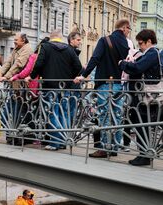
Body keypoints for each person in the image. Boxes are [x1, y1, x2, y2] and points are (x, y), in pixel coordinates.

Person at [74, 19, 131, 158]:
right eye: (129, 28)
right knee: (117, 115)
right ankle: (115, 146)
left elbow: (95, 58)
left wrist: (83, 75)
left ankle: (105, 148)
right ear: (123, 28)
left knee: (105, 115)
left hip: (104, 84)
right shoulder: (126, 44)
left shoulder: (105, 40)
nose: (129, 31)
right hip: (118, 84)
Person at [28, 30, 82, 151]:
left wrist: (32, 77)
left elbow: (39, 64)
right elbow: (78, 67)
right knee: (63, 114)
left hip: (49, 86)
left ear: (51, 38)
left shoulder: (45, 47)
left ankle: (54, 142)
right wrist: (70, 77)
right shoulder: (69, 49)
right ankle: (63, 141)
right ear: (60, 38)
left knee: (53, 113)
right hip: (65, 87)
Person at [119, 29, 161, 166]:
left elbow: (138, 68)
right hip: (145, 96)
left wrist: (123, 64)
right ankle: (143, 154)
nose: (140, 46)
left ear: (149, 41)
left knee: (143, 125)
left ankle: (145, 155)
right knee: (141, 125)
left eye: (141, 43)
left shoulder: (152, 53)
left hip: (147, 96)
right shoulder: (151, 53)